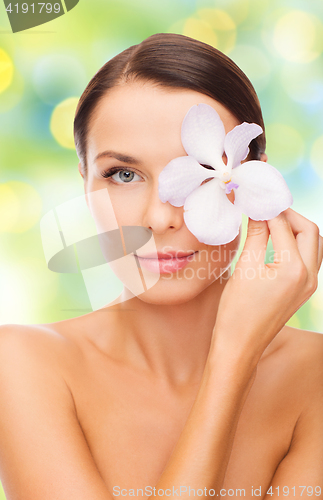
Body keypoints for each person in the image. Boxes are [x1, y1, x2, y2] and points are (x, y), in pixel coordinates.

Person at [0, 33, 322, 500]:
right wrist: (231, 363)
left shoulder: (314, 376)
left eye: (194, 173)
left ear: (254, 178)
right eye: (123, 175)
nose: (159, 217)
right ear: (84, 180)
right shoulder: (23, 364)